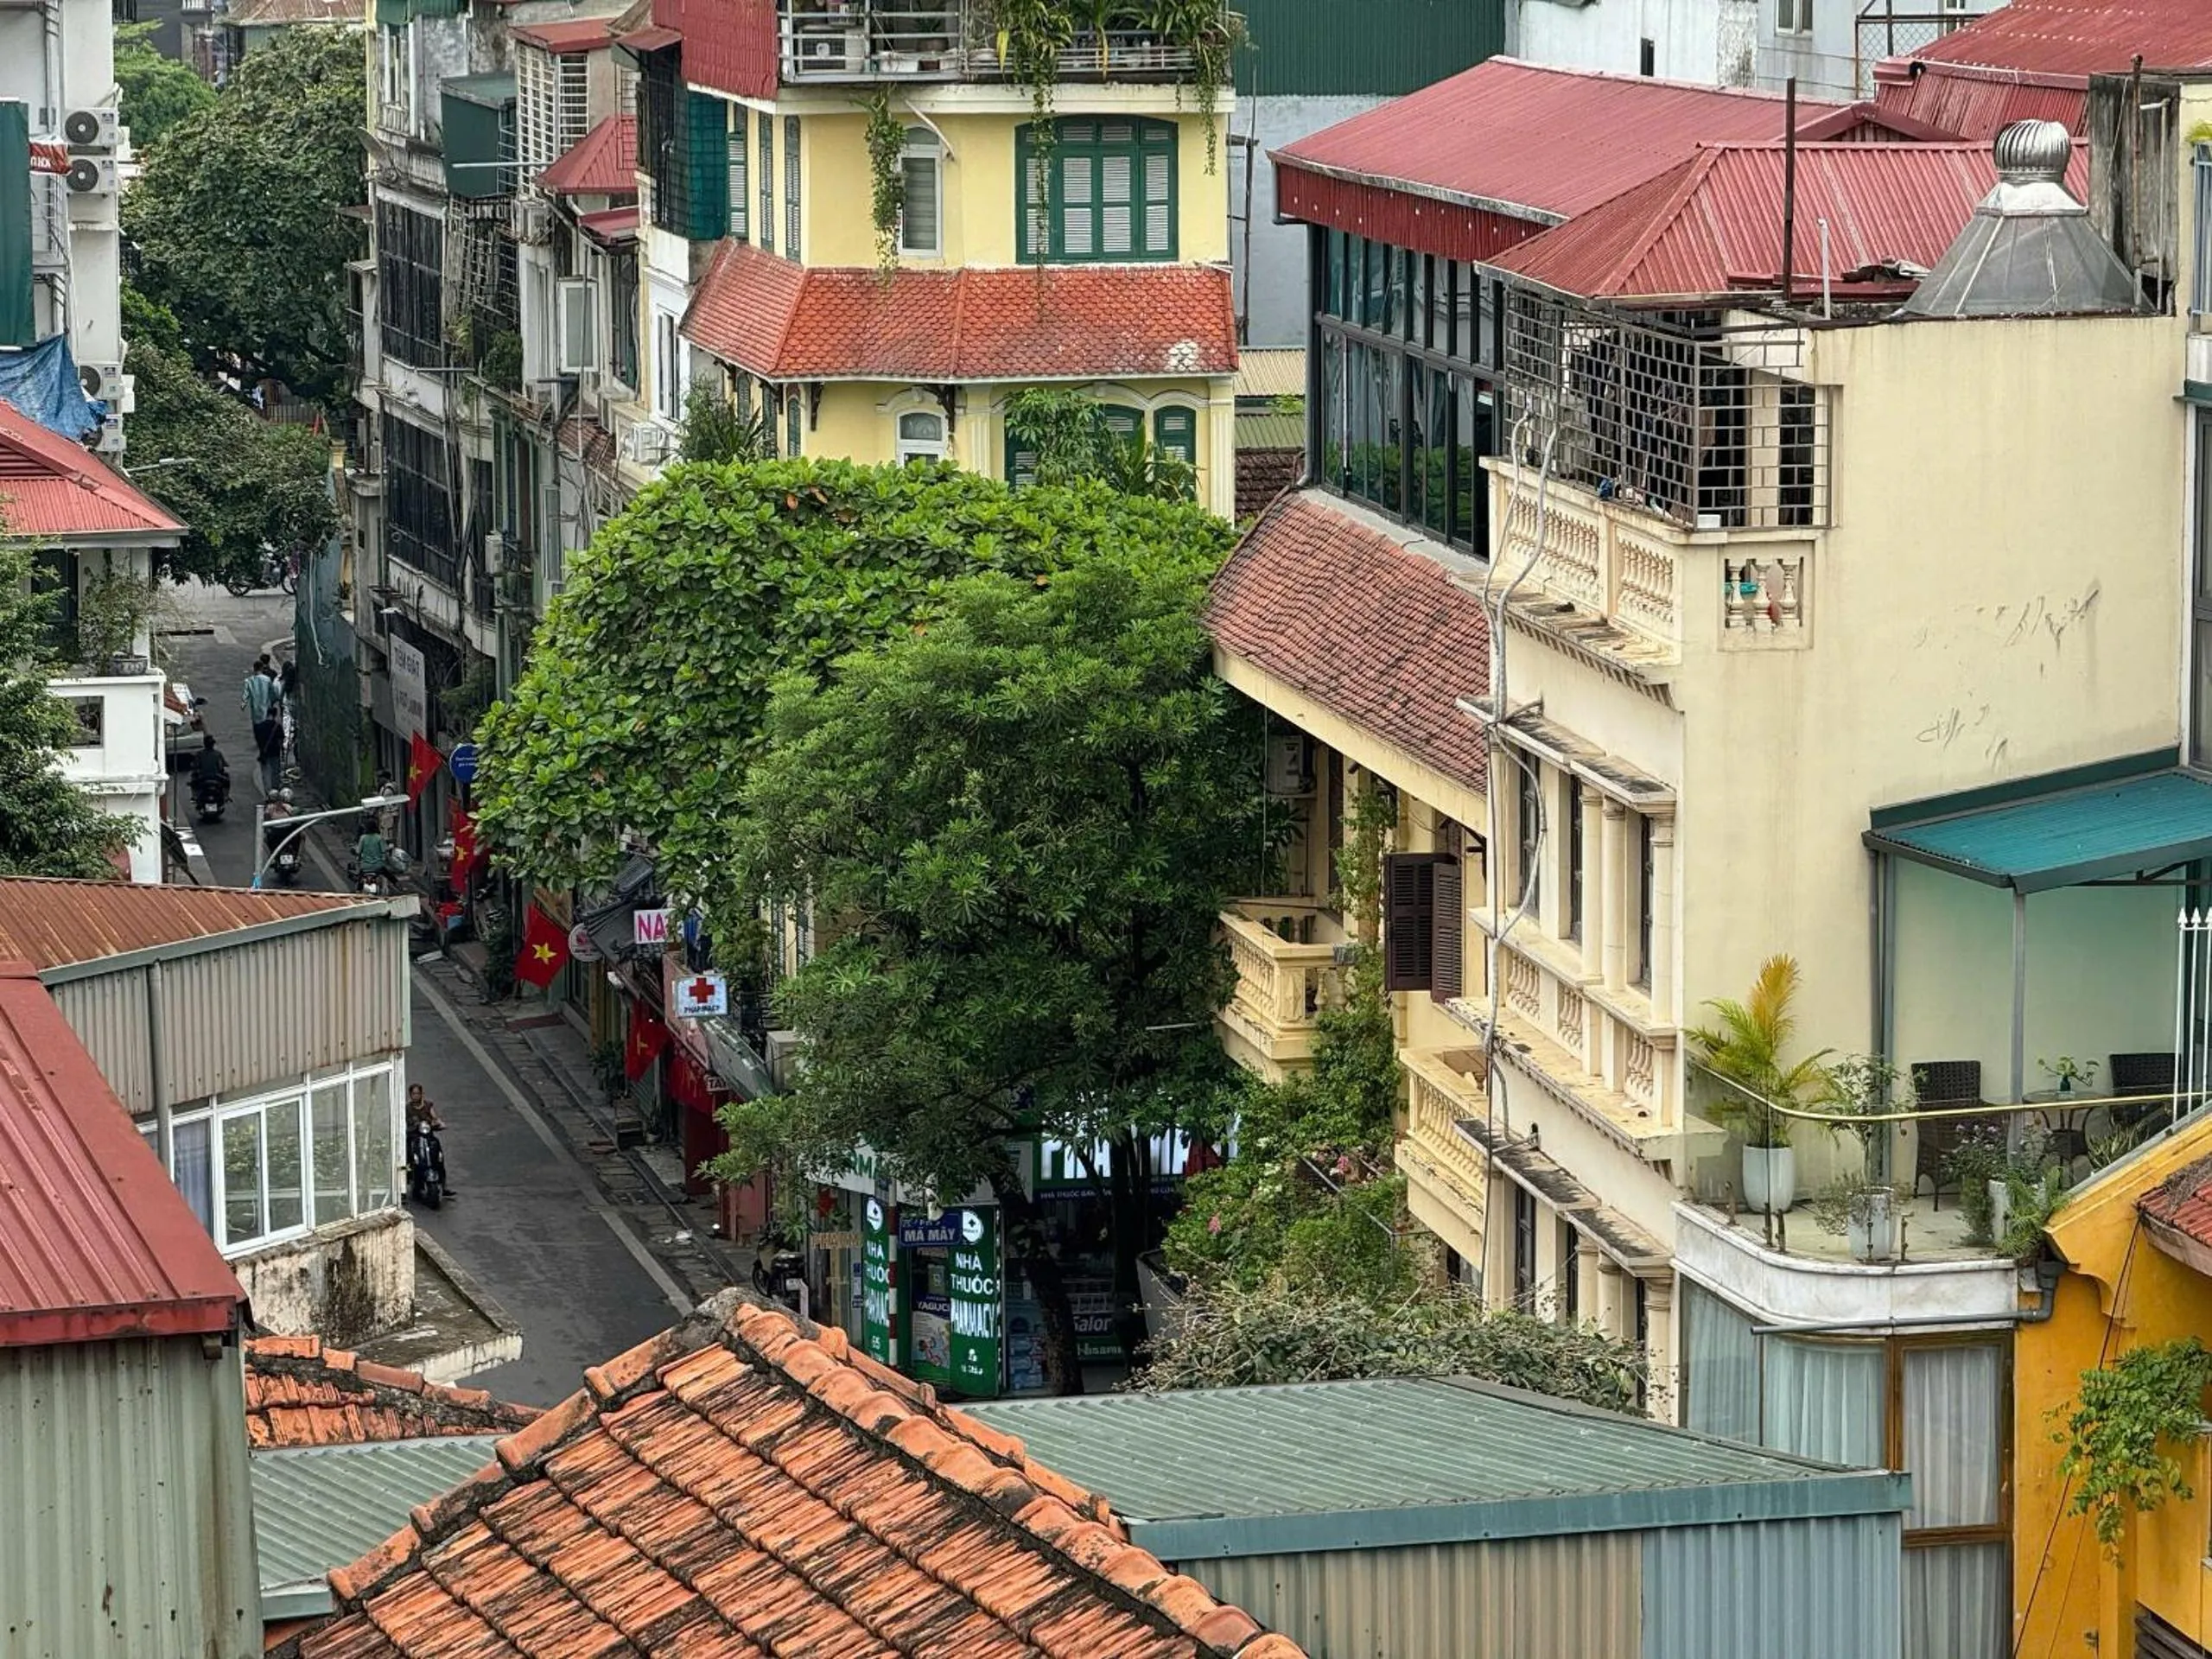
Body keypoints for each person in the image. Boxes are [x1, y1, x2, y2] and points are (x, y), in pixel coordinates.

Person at [243, 657, 281, 793]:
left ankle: (267, 793)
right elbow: (281, 738)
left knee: (265, 772)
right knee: (276, 771)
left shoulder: (253, 680)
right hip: (275, 751)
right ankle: (276, 791)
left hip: (264, 749)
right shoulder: (271, 676)